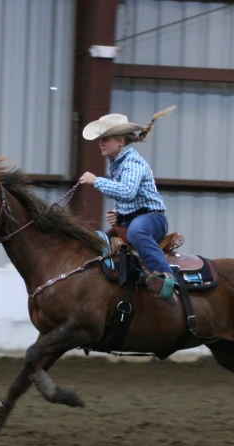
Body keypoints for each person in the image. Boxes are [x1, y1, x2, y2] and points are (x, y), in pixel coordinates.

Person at [79, 106, 177, 306]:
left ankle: (166, 277)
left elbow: (126, 191)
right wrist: (120, 213)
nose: (100, 144)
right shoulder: (117, 163)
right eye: (101, 139)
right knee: (100, 240)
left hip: (153, 219)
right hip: (137, 217)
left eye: (105, 139)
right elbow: (130, 197)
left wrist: (95, 181)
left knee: (137, 232)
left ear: (120, 141)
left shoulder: (132, 163)